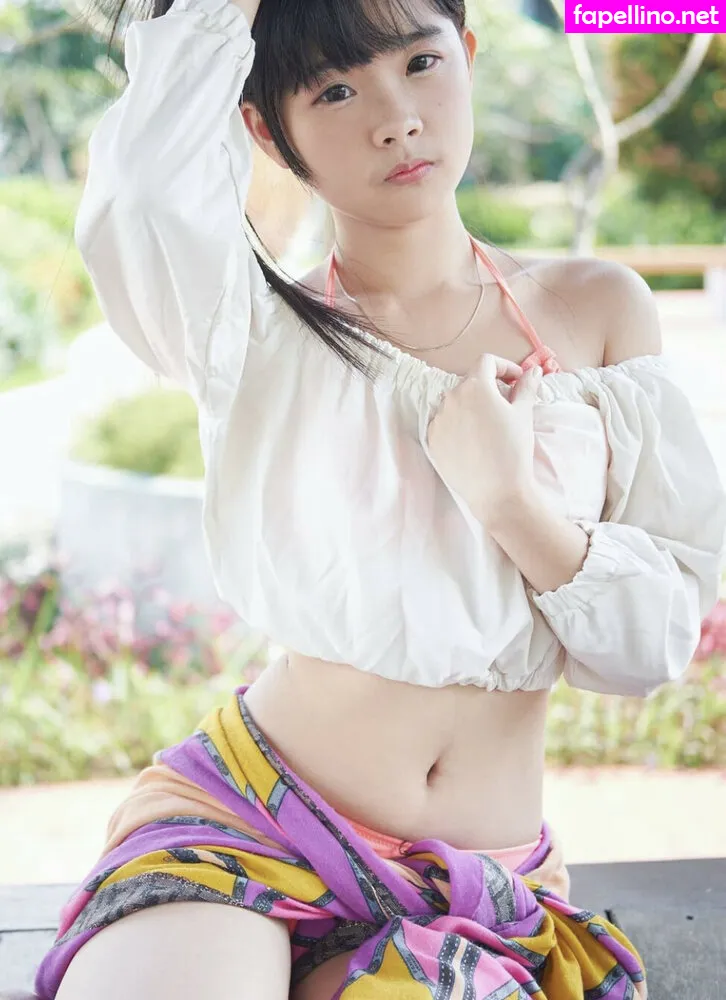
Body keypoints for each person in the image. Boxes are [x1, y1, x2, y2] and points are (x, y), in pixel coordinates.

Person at [32, 0, 726, 996]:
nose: (396, 118)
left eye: (420, 63)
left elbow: (649, 645)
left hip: (476, 890)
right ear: (265, 127)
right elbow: (146, 192)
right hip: (249, 820)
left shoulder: (597, 309)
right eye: (335, 91)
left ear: (469, 55)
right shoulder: (251, 333)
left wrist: (511, 502)